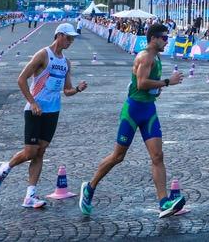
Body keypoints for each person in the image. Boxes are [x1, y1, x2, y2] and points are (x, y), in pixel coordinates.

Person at [79, 23, 186, 217]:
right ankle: (90, 187)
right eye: (164, 37)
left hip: (148, 111)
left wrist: (158, 89)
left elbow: (149, 85)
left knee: (157, 156)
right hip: (133, 111)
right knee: (118, 157)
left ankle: (163, 202)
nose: (166, 41)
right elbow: (141, 83)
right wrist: (168, 82)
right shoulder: (144, 57)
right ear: (153, 38)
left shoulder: (156, 57)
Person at [0, 23, 87, 209]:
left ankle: (30, 195)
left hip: (53, 112)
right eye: (68, 38)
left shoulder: (66, 62)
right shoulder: (43, 55)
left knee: (40, 152)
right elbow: (21, 79)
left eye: (73, 38)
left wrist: (77, 89)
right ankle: (6, 168)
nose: (71, 41)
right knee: (30, 152)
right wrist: (33, 102)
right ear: (58, 35)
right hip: (35, 110)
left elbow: (66, 90)